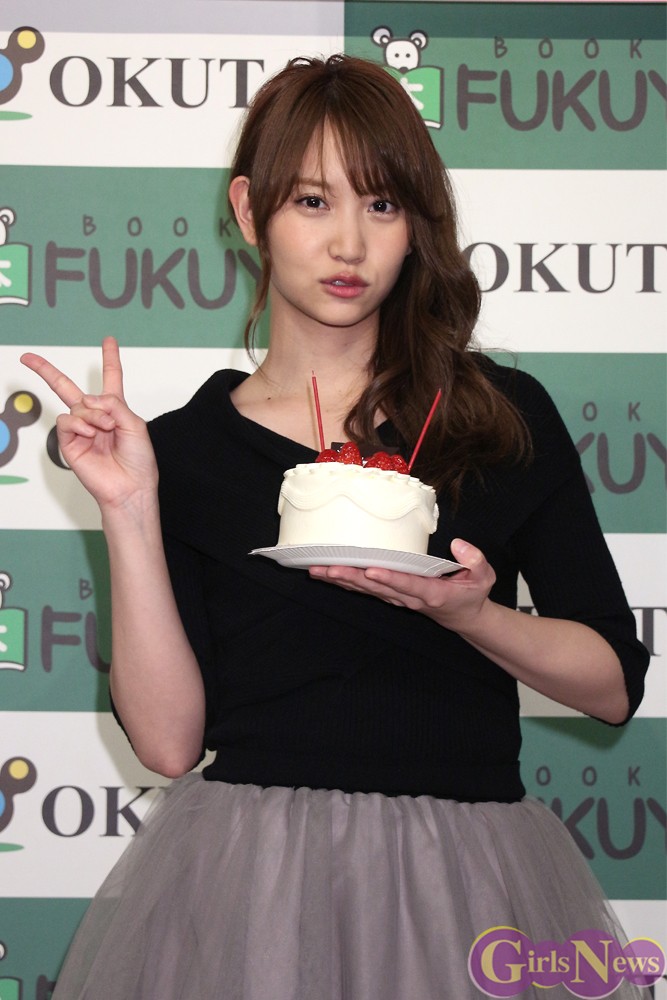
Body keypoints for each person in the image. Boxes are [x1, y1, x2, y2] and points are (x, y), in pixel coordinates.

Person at [22, 55, 649, 1000]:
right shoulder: (183, 452)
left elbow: (610, 685)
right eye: (312, 202)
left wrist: (471, 616)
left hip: (466, 881)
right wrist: (129, 507)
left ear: (415, 226)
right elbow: (167, 746)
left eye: (381, 205)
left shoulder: (499, 417)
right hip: (250, 888)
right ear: (250, 211)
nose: (348, 244)